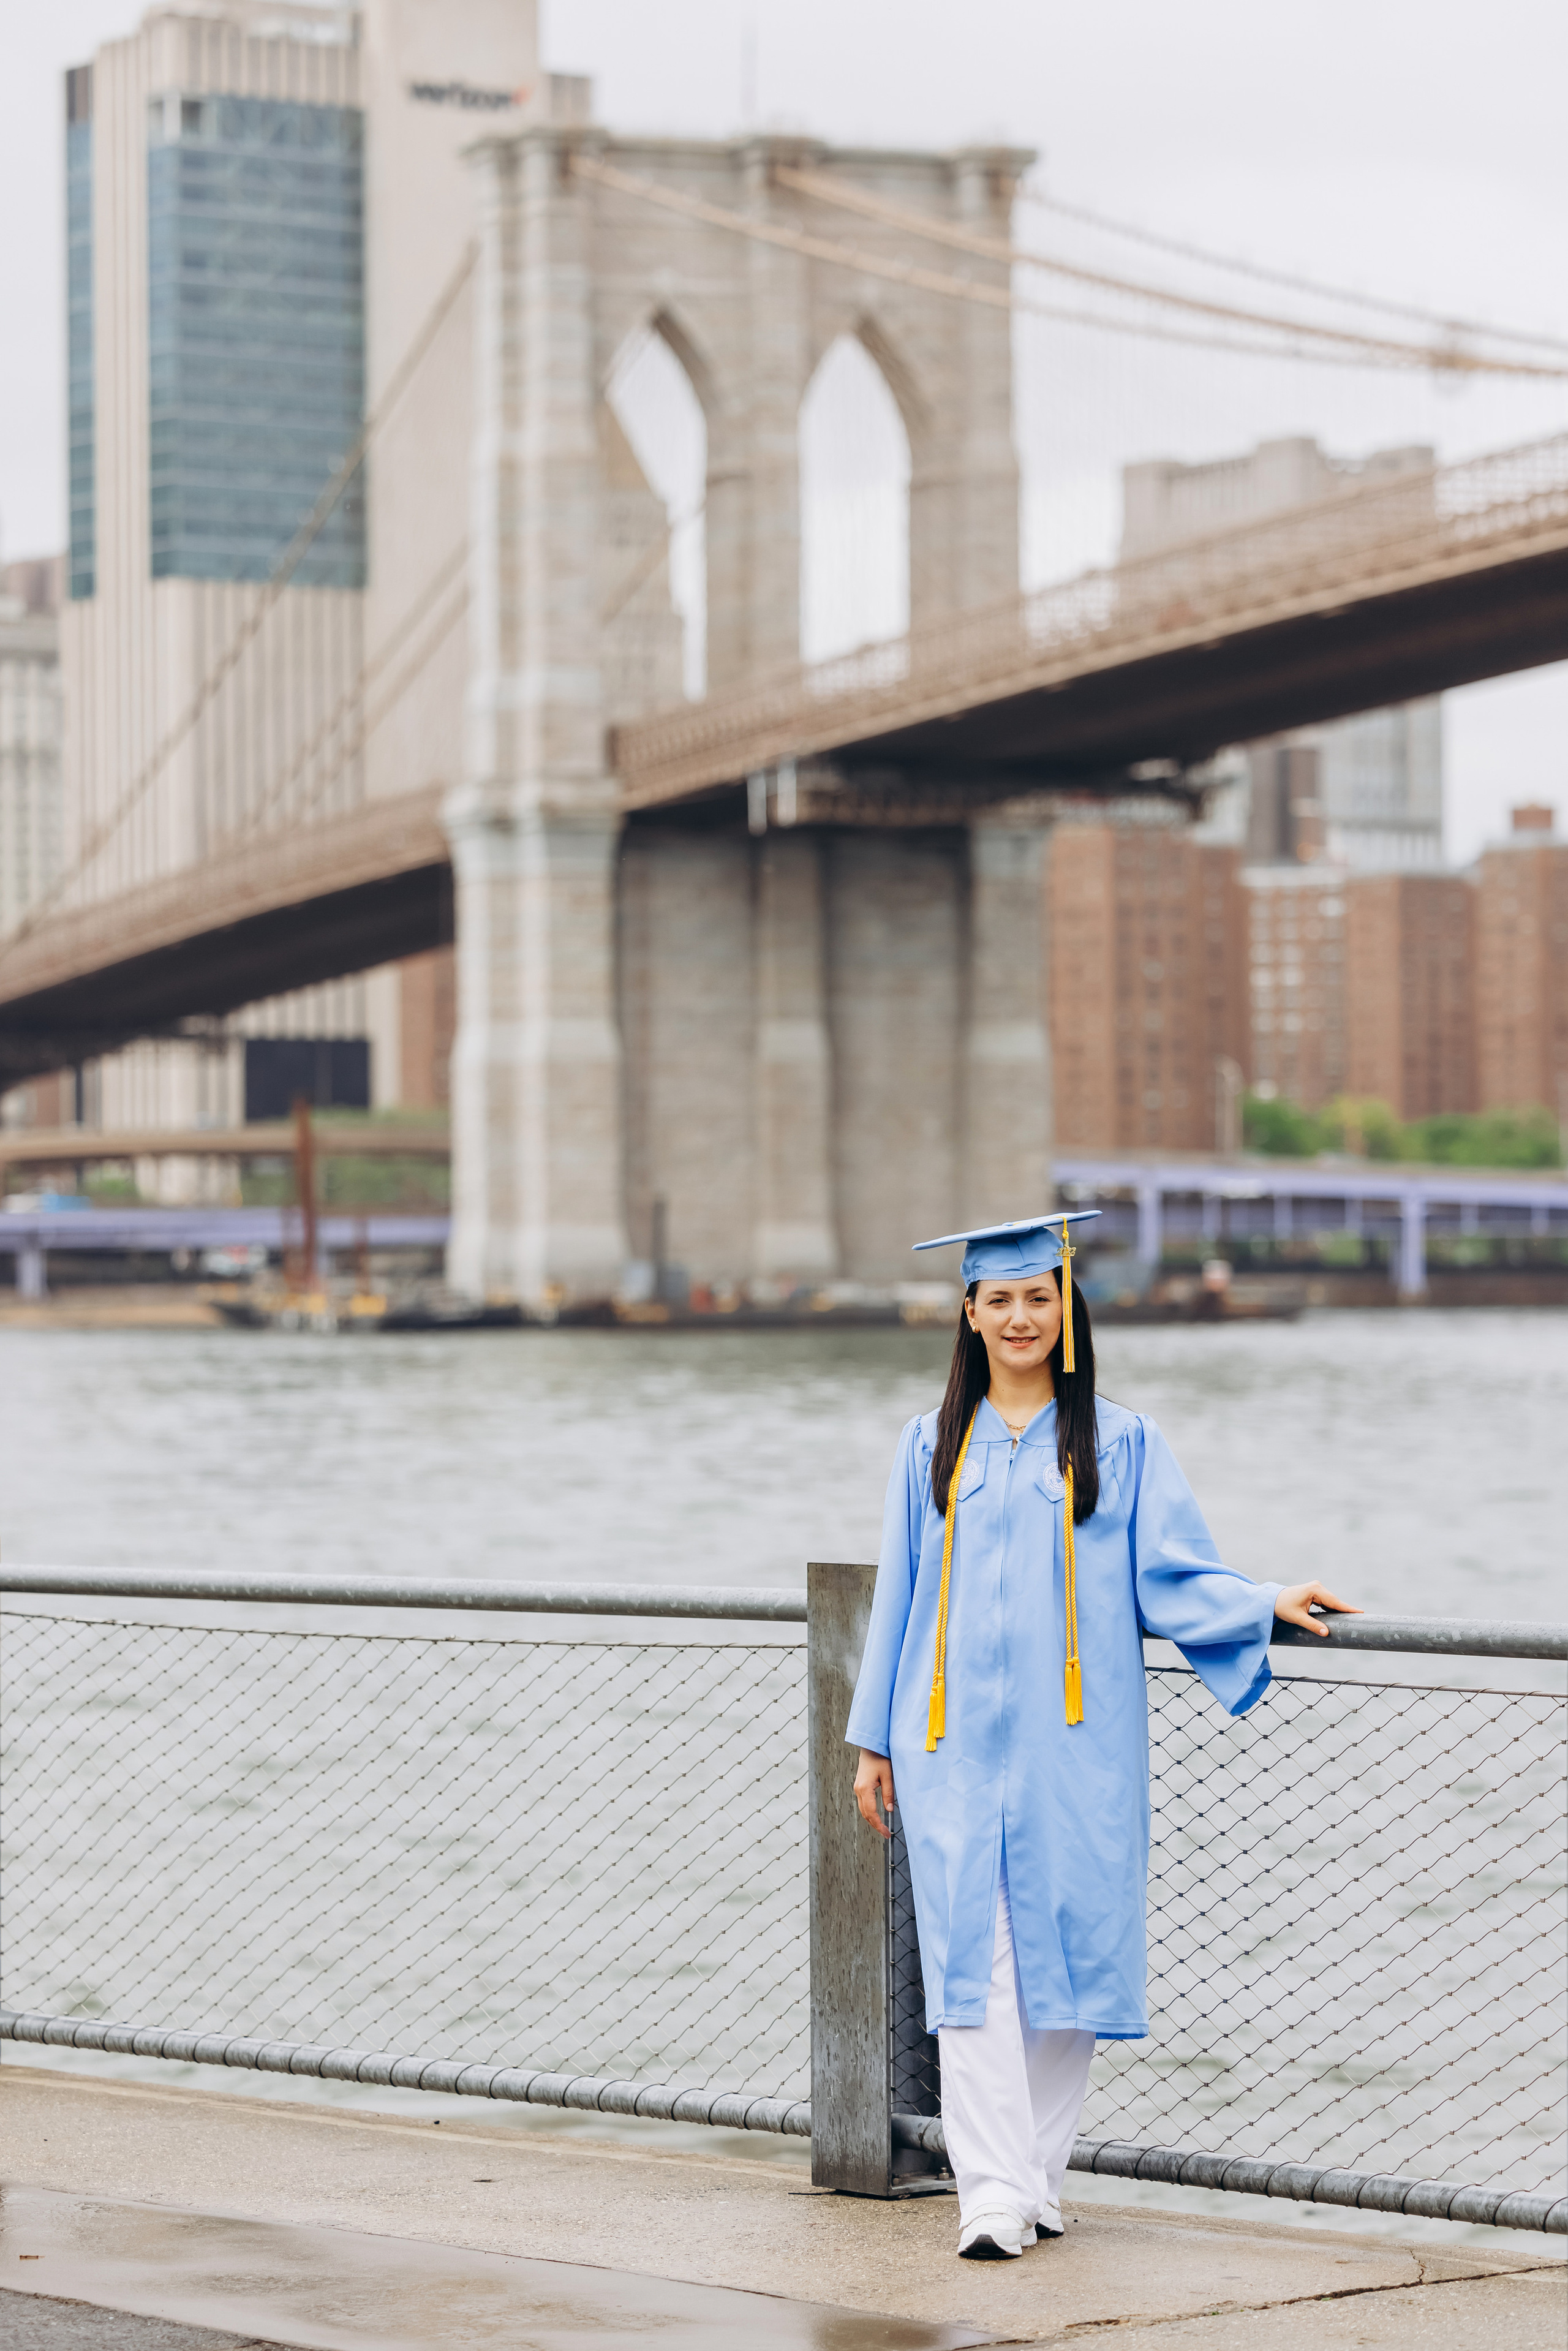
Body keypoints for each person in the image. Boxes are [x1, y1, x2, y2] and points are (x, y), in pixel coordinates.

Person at [845, 1212, 1357, 2261]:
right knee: (974, 1968)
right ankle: (989, 2195)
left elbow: (1171, 1574)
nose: (1020, 1316)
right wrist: (872, 1740)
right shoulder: (928, 1443)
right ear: (970, 1313)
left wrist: (1262, 1601)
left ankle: (1033, 2177)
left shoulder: (1119, 1442)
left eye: (1039, 1297)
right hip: (946, 1745)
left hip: (1073, 1748)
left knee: (1063, 1970)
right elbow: (897, 1594)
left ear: (1065, 1308)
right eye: (1000, 1299)